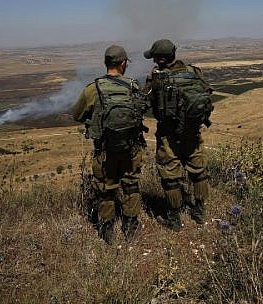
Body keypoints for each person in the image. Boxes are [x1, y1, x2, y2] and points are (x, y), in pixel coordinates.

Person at [72, 45, 148, 244]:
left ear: (106, 63)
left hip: (105, 150)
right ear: (123, 63)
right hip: (131, 148)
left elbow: (77, 114)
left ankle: (107, 231)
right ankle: (130, 226)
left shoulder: (93, 89)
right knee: (131, 185)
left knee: (105, 188)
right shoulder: (133, 86)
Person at [144, 39, 213, 231]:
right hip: (192, 131)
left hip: (168, 135)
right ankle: (199, 212)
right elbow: (207, 93)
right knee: (198, 171)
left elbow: (145, 102)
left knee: (170, 175)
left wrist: (151, 81)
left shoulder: (158, 78)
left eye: (155, 58)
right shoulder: (194, 72)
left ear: (161, 59)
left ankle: (174, 219)